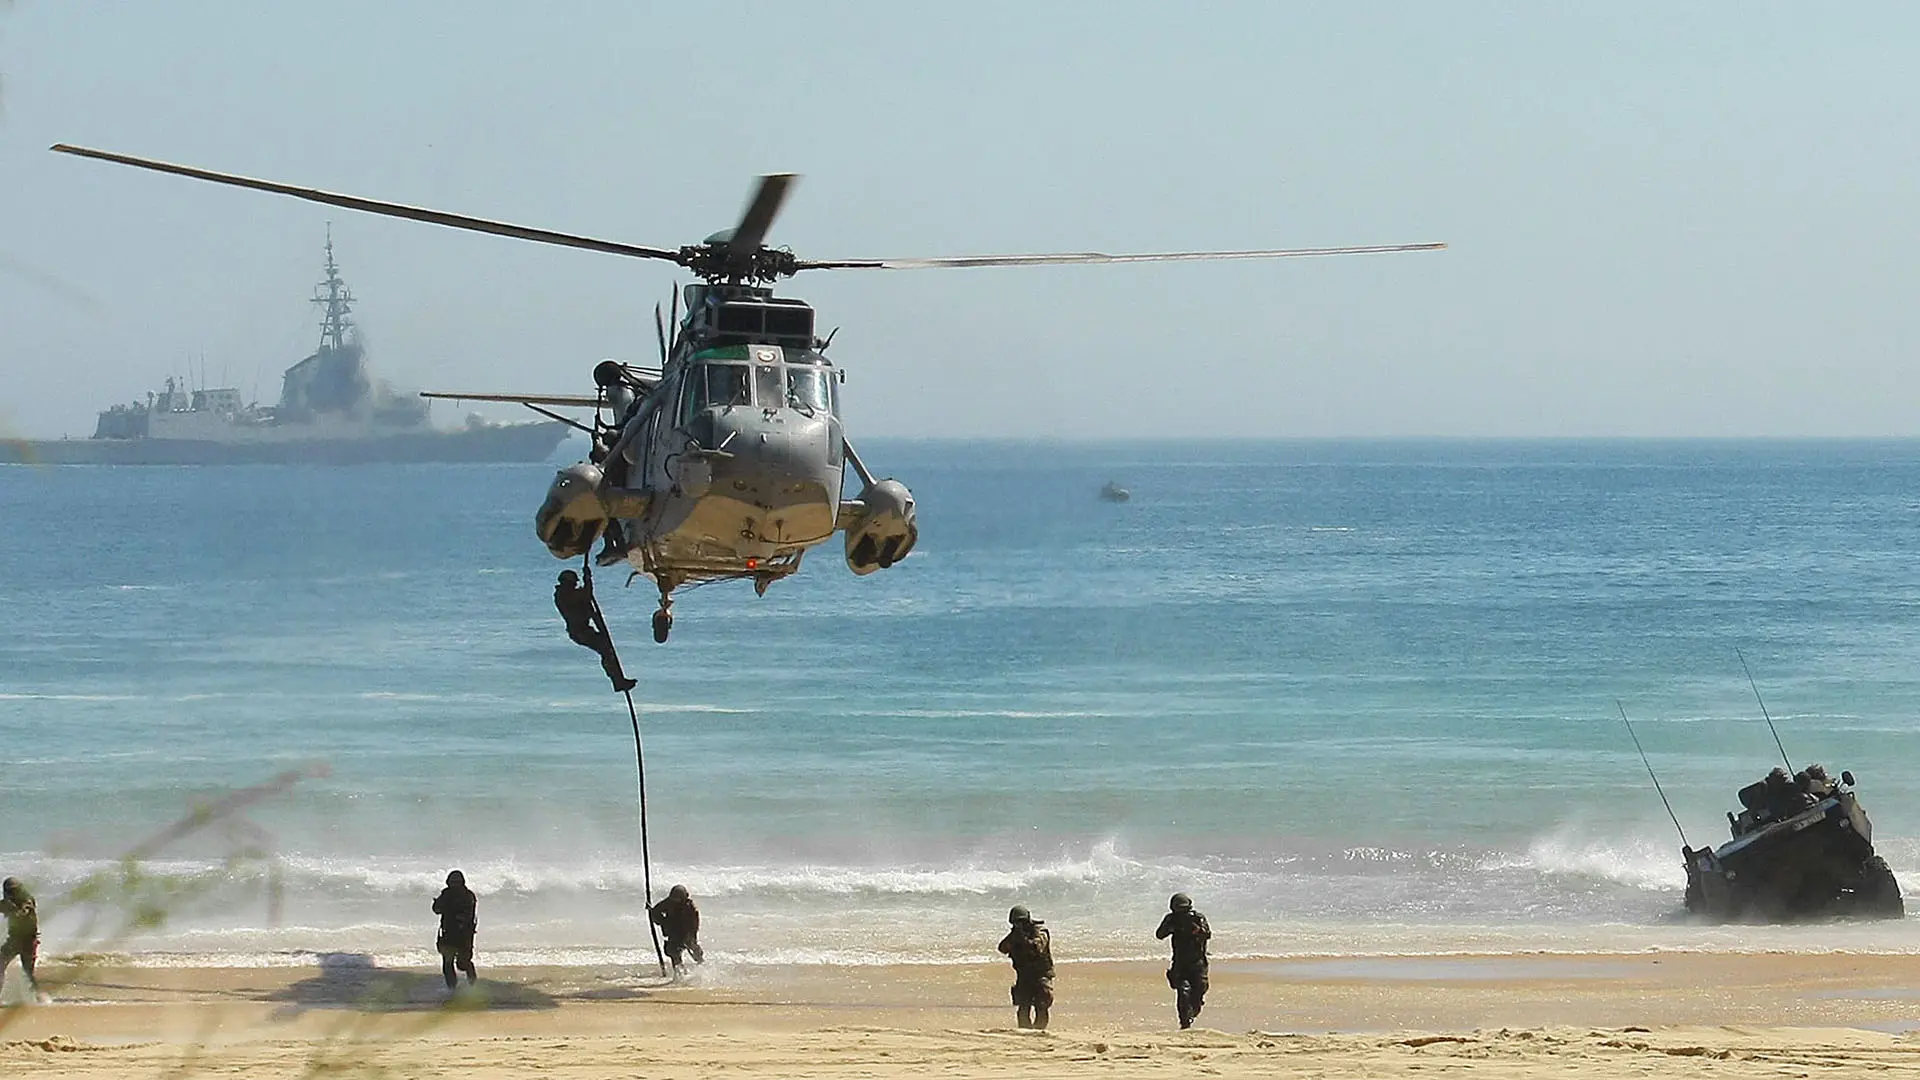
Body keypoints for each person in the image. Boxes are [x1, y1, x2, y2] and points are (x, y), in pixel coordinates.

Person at [554, 570, 637, 693]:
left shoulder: (566, 594)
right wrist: (588, 579)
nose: (575, 585)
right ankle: (617, 680)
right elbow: (586, 595)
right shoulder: (563, 595)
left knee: (606, 650)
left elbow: (584, 598)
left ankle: (617, 680)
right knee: (606, 650)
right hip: (581, 632)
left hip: (583, 630)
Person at [1155, 892, 1211, 1029]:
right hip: (1180, 963)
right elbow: (1159, 934)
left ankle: (1193, 1011)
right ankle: (1184, 1023)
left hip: (1198, 962)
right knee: (1183, 992)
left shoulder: (1197, 918)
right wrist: (1173, 927)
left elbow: (1207, 934)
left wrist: (1197, 930)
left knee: (1199, 990)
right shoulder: (1171, 919)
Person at [996, 904, 1054, 1030]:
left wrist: (1023, 938)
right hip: (1024, 976)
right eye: (1016, 923)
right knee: (1023, 1007)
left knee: (1041, 1006)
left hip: (1041, 974)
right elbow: (1002, 948)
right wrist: (1015, 937)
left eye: (1021, 922)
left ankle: (1040, 1031)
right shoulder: (1015, 935)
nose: (1018, 925)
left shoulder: (1040, 931)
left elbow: (1037, 948)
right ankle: (1025, 1032)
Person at [432, 870, 478, 991]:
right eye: (452, 882)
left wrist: (458, 916)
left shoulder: (468, 896)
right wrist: (438, 904)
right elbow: (436, 910)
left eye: (456, 882)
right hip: (448, 933)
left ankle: (473, 987)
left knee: (463, 963)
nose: (454, 885)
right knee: (447, 962)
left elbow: (469, 915)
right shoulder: (446, 894)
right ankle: (452, 990)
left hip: (463, 935)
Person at [650, 885, 704, 975]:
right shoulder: (669, 902)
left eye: (678, 898)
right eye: (674, 898)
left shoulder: (690, 907)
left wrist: (690, 936)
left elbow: (694, 925)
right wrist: (660, 919)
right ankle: (680, 973)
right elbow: (656, 912)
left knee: (694, 950)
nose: (675, 901)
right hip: (673, 932)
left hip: (687, 932)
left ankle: (702, 967)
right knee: (673, 951)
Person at [0, 878, 38, 1003]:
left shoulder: (26, 900)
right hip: (14, 940)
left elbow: (24, 911)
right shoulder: (8, 902)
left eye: (11, 891)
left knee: (28, 973)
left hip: (28, 941)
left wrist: (13, 909)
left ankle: (37, 998)